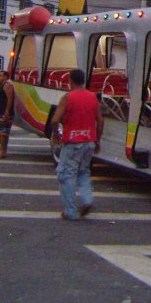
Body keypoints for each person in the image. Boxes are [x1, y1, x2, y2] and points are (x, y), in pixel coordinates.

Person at [50, 69, 103, 221]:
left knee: (66, 174)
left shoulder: (67, 97)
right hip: (89, 141)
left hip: (73, 141)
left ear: (70, 81)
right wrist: (97, 140)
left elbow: (55, 120)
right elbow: (100, 120)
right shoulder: (93, 97)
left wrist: (56, 134)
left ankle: (70, 211)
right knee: (83, 172)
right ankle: (87, 200)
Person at [0, 71, 14, 159]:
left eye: (1, 75)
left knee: (3, 132)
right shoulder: (0, 86)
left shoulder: (7, 85)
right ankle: (3, 150)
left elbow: (10, 99)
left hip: (4, 112)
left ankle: (2, 150)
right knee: (3, 132)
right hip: (0, 111)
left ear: (6, 77)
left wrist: (7, 111)